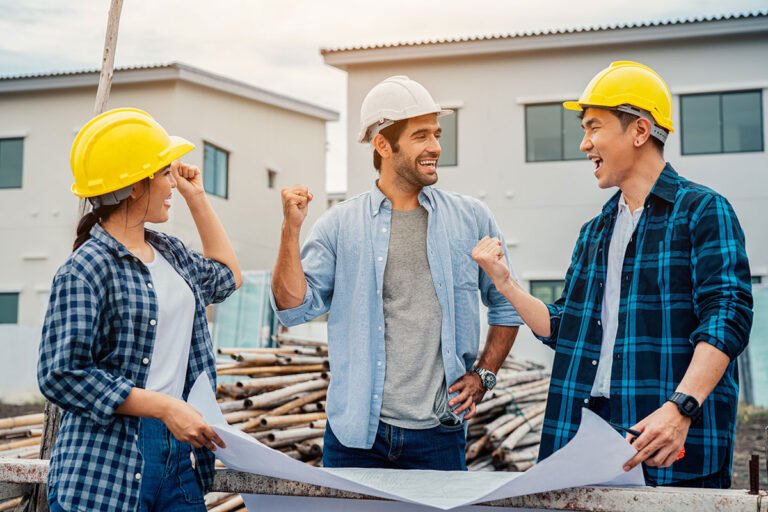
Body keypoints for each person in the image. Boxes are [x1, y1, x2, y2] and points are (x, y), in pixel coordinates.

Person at [471, 61, 753, 488]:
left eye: (594, 127)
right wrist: (505, 282)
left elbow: (727, 316)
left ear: (639, 131)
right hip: (585, 436)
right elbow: (564, 327)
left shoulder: (703, 211)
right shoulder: (596, 232)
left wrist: (681, 408)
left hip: (665, 436)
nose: (585, 144)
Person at [271, 76, 522, 470]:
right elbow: (292, 309)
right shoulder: (339, 225)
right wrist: (290, 230)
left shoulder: (471, 218)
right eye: (421, 136)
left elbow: (507, 306)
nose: (436, 147)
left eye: (436, 134)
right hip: (355, 438)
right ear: (384, 145)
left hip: (439, 434)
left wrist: (483, 376)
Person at [37, 108, 242, 511]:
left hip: (178, 454)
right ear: (134, 186)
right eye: (165, 174)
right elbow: (60, 374)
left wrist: (197, 196)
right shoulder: (85, 268)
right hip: (104, 464)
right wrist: (165, 406)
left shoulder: (171, 253)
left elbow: (228, 277)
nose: (173, 184)